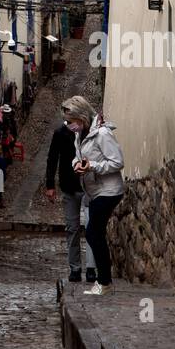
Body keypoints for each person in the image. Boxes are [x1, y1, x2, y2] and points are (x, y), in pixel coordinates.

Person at [62, 95, 124, 297]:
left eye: (70, 121)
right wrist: (77, 165)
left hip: (109, 191)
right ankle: (104, 281)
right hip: (96, 191)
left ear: (81, 117)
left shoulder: (102, 134)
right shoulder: (82, 134)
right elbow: (77, 157)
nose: (68, 125)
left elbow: (117, 162)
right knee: (94, 233)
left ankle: (104, 281)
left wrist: (93, 167)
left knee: (93, 233)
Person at [45, 114, 97, 283]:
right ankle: (75, 268)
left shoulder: (90, 132)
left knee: (91, 228)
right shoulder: (61, 133)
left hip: (89, 186)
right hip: (69, 187)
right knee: (72, 229)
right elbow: (53, 158)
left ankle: (91, 268)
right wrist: (50, 185)